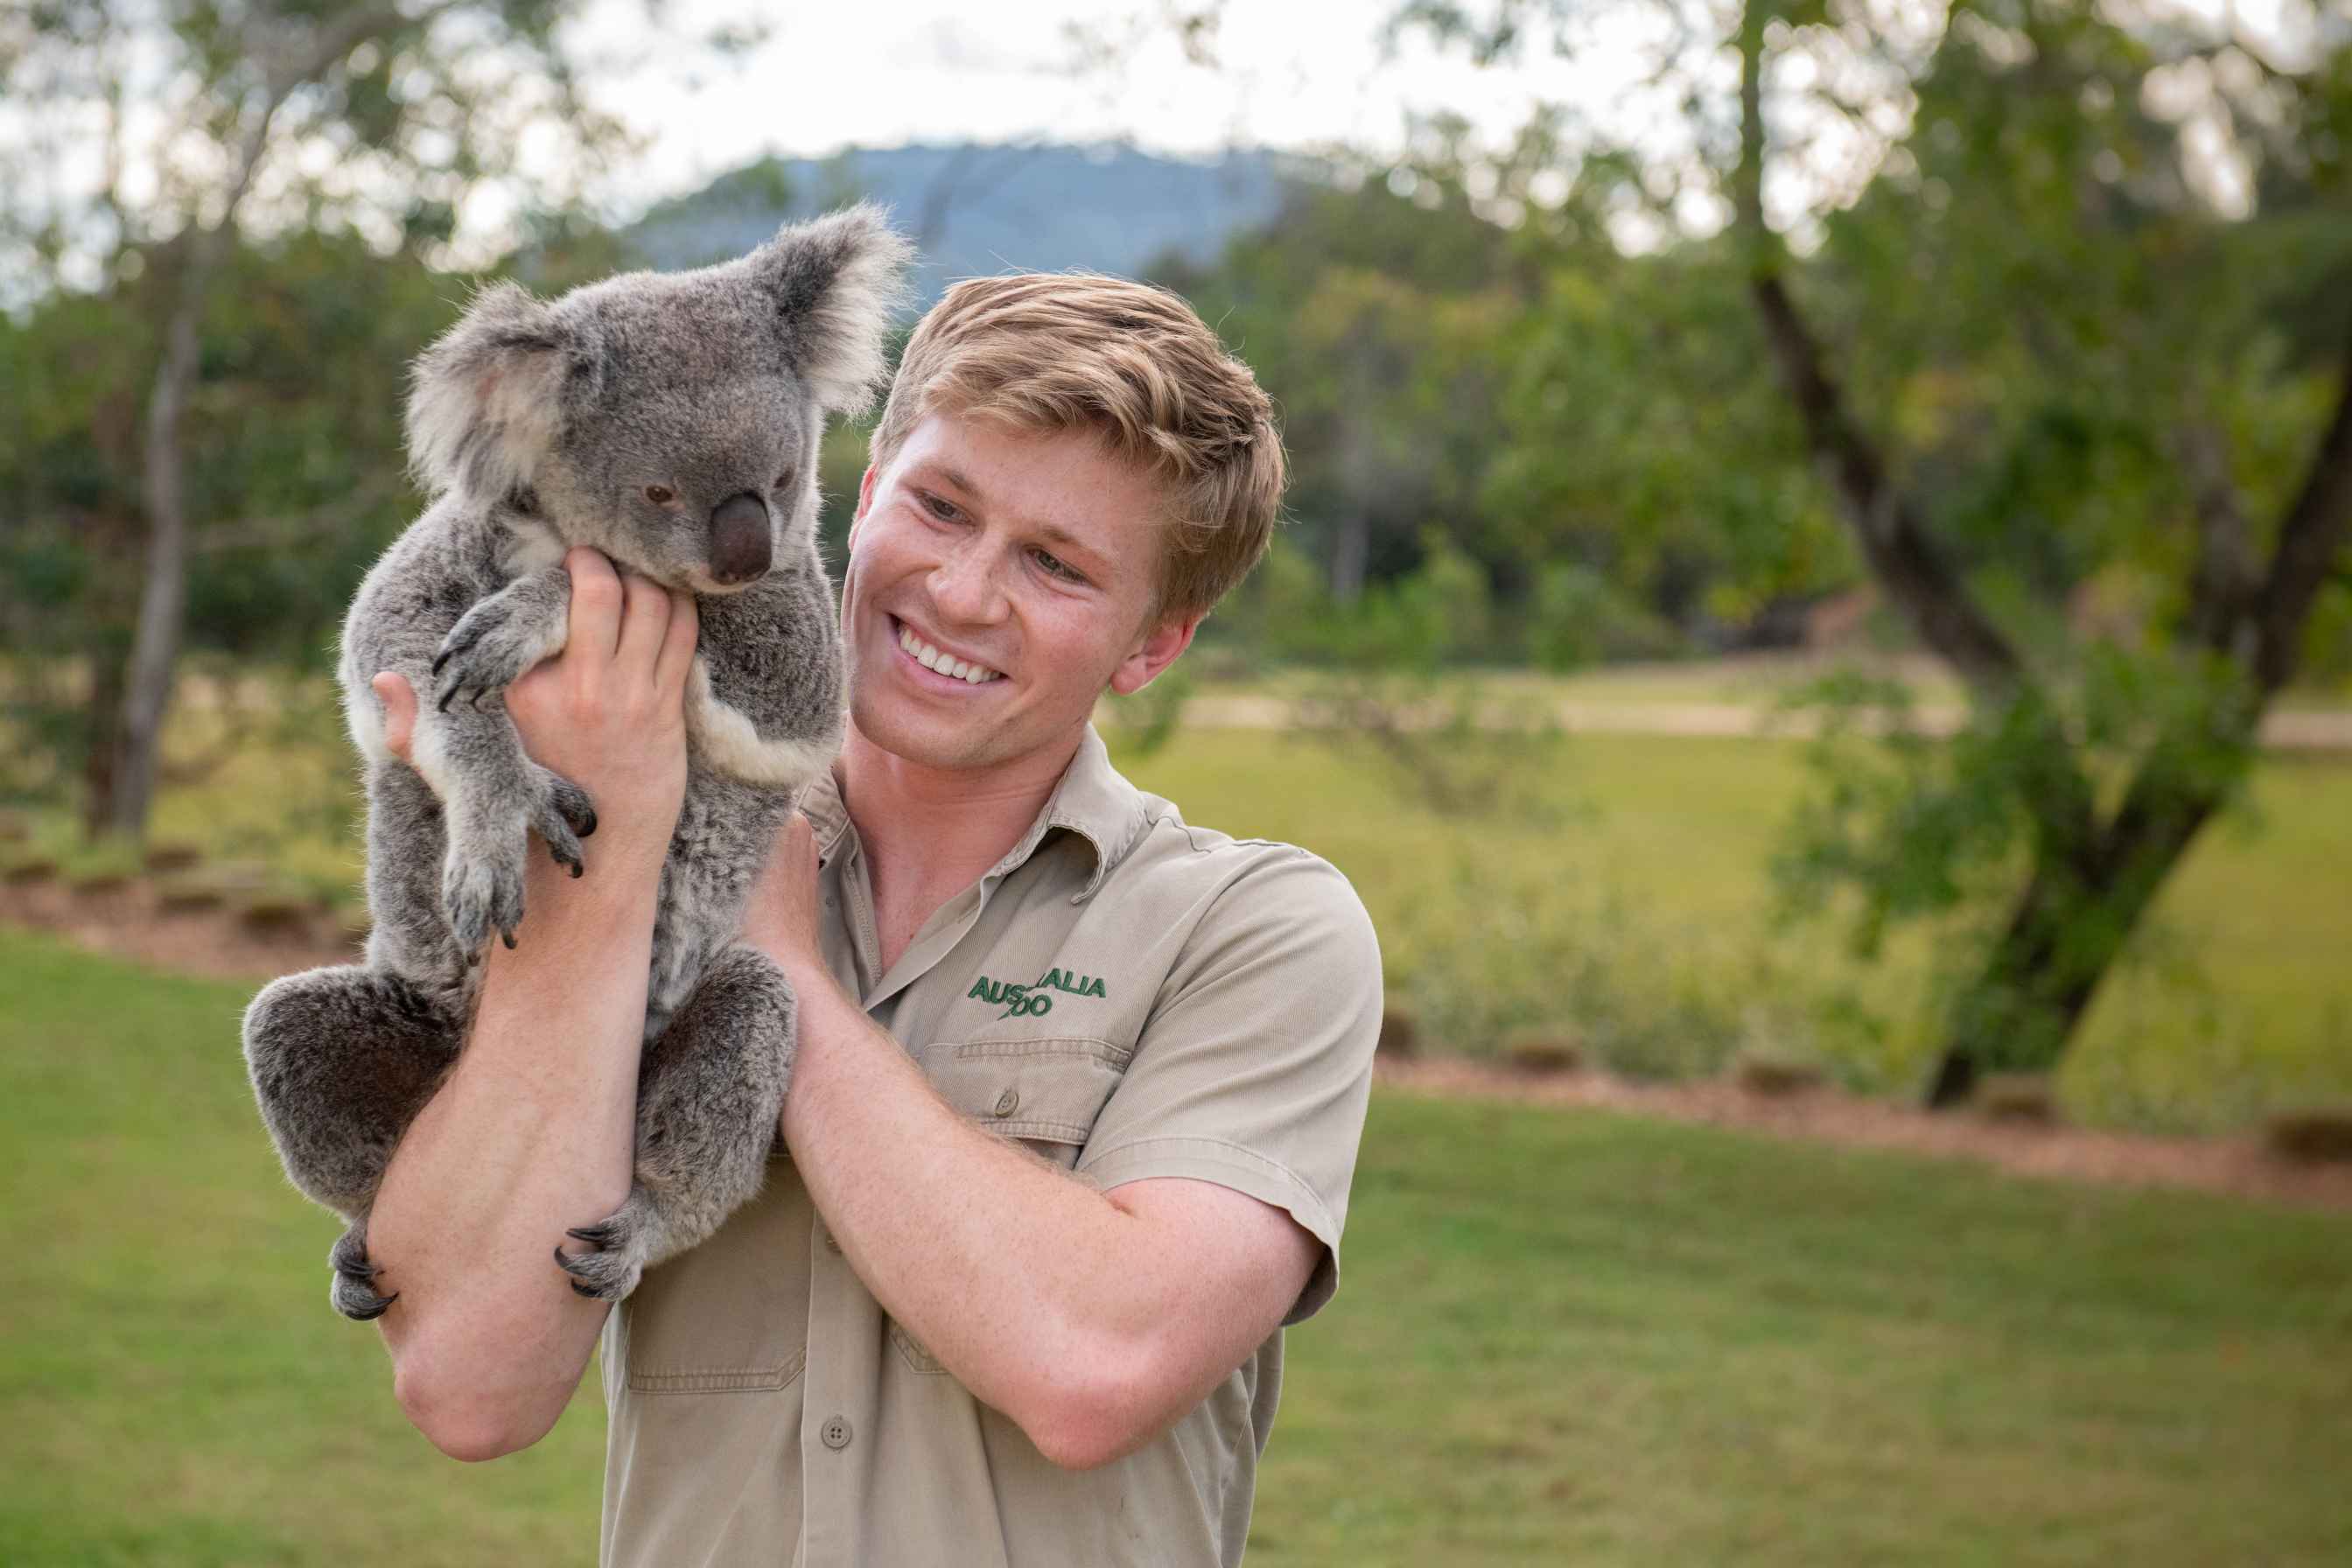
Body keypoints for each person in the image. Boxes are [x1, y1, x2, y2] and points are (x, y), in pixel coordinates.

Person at [360, 273, 1383, 1566]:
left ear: (1152, 647)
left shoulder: (1256, 932)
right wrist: (613, 874)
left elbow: (1091, 1370)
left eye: (1057, 566)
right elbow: (468, 1386)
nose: (961, 594)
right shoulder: (613, 828)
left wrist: (775, 957)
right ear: (865, 472)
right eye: (941, 508)